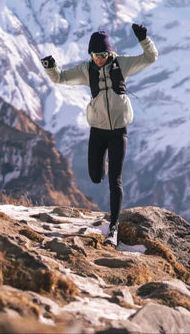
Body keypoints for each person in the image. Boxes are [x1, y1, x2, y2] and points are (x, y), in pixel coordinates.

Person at [41, 23, 158, 247]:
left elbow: (150, 57)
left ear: (110, 52)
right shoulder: (87, 70)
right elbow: (60, 78)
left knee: (115, 180)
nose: (99, 59)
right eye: (95, 55)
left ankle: (112, 228)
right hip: (97, 131)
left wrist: (144, 39)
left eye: (103, 54)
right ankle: (104, 161)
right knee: (96, 176)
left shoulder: (121, 64)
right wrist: (50, 67)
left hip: (118, 132)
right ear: (91, 54)